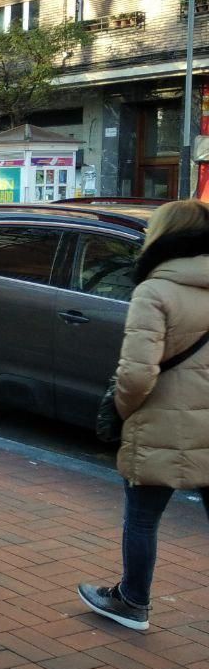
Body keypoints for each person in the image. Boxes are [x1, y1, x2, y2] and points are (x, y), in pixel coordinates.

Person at [79, 199, 209, 630]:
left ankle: (133, 601)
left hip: (161, 424)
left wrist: (122, 411)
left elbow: (135, 375)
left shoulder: (155, 290)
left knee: (143, 517)